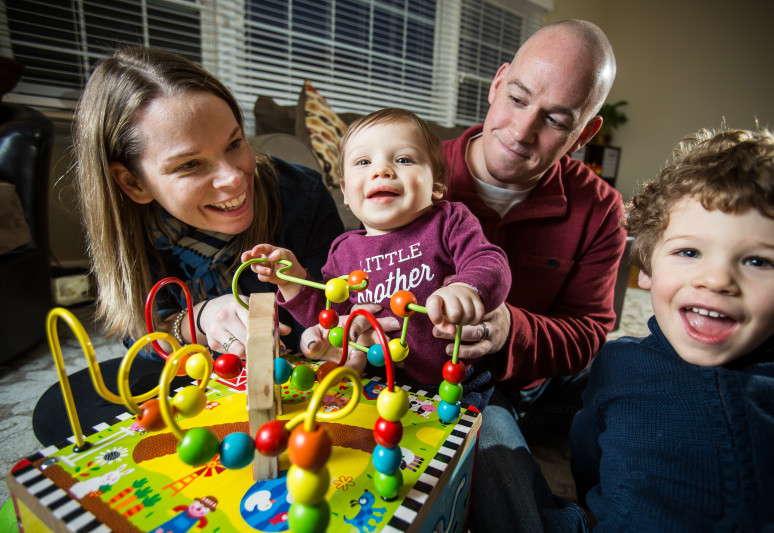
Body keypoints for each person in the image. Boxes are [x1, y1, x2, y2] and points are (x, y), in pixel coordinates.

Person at [437, 20, 625, 532]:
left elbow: (588, 332)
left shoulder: (602, 209)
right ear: (497, 84)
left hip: (529, 384)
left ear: (585, 133)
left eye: (556, 121)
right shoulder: (416, 170)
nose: (521, 132)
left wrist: (508, 330)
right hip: (423, 375)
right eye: (517, 98)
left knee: (635, 377)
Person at [570, 127, 774, 530]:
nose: (716, 280)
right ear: (646, 266)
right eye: (689, 252)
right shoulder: (619, 362)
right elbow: (588, 452)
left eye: (759, 261)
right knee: (498, 445)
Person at [73, 46, 344, 359]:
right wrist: (197, 319)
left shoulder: (303, 196)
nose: (233, 177)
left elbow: (333, 313)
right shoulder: (132, 228)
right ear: (134, 183)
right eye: (189, 164)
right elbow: (138, 334)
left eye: (234, 143)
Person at [242, 108, 511, 408]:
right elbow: (327, 316)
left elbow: (489, 261)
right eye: (363, 162)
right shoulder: (343, 251)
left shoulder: (449, 221)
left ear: (436, 186)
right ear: (344, 191)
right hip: (374, 384)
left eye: (404, 159)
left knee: (486, 443)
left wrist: (467, 287)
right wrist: (290, 280)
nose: (381, 171)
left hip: (453, 387)